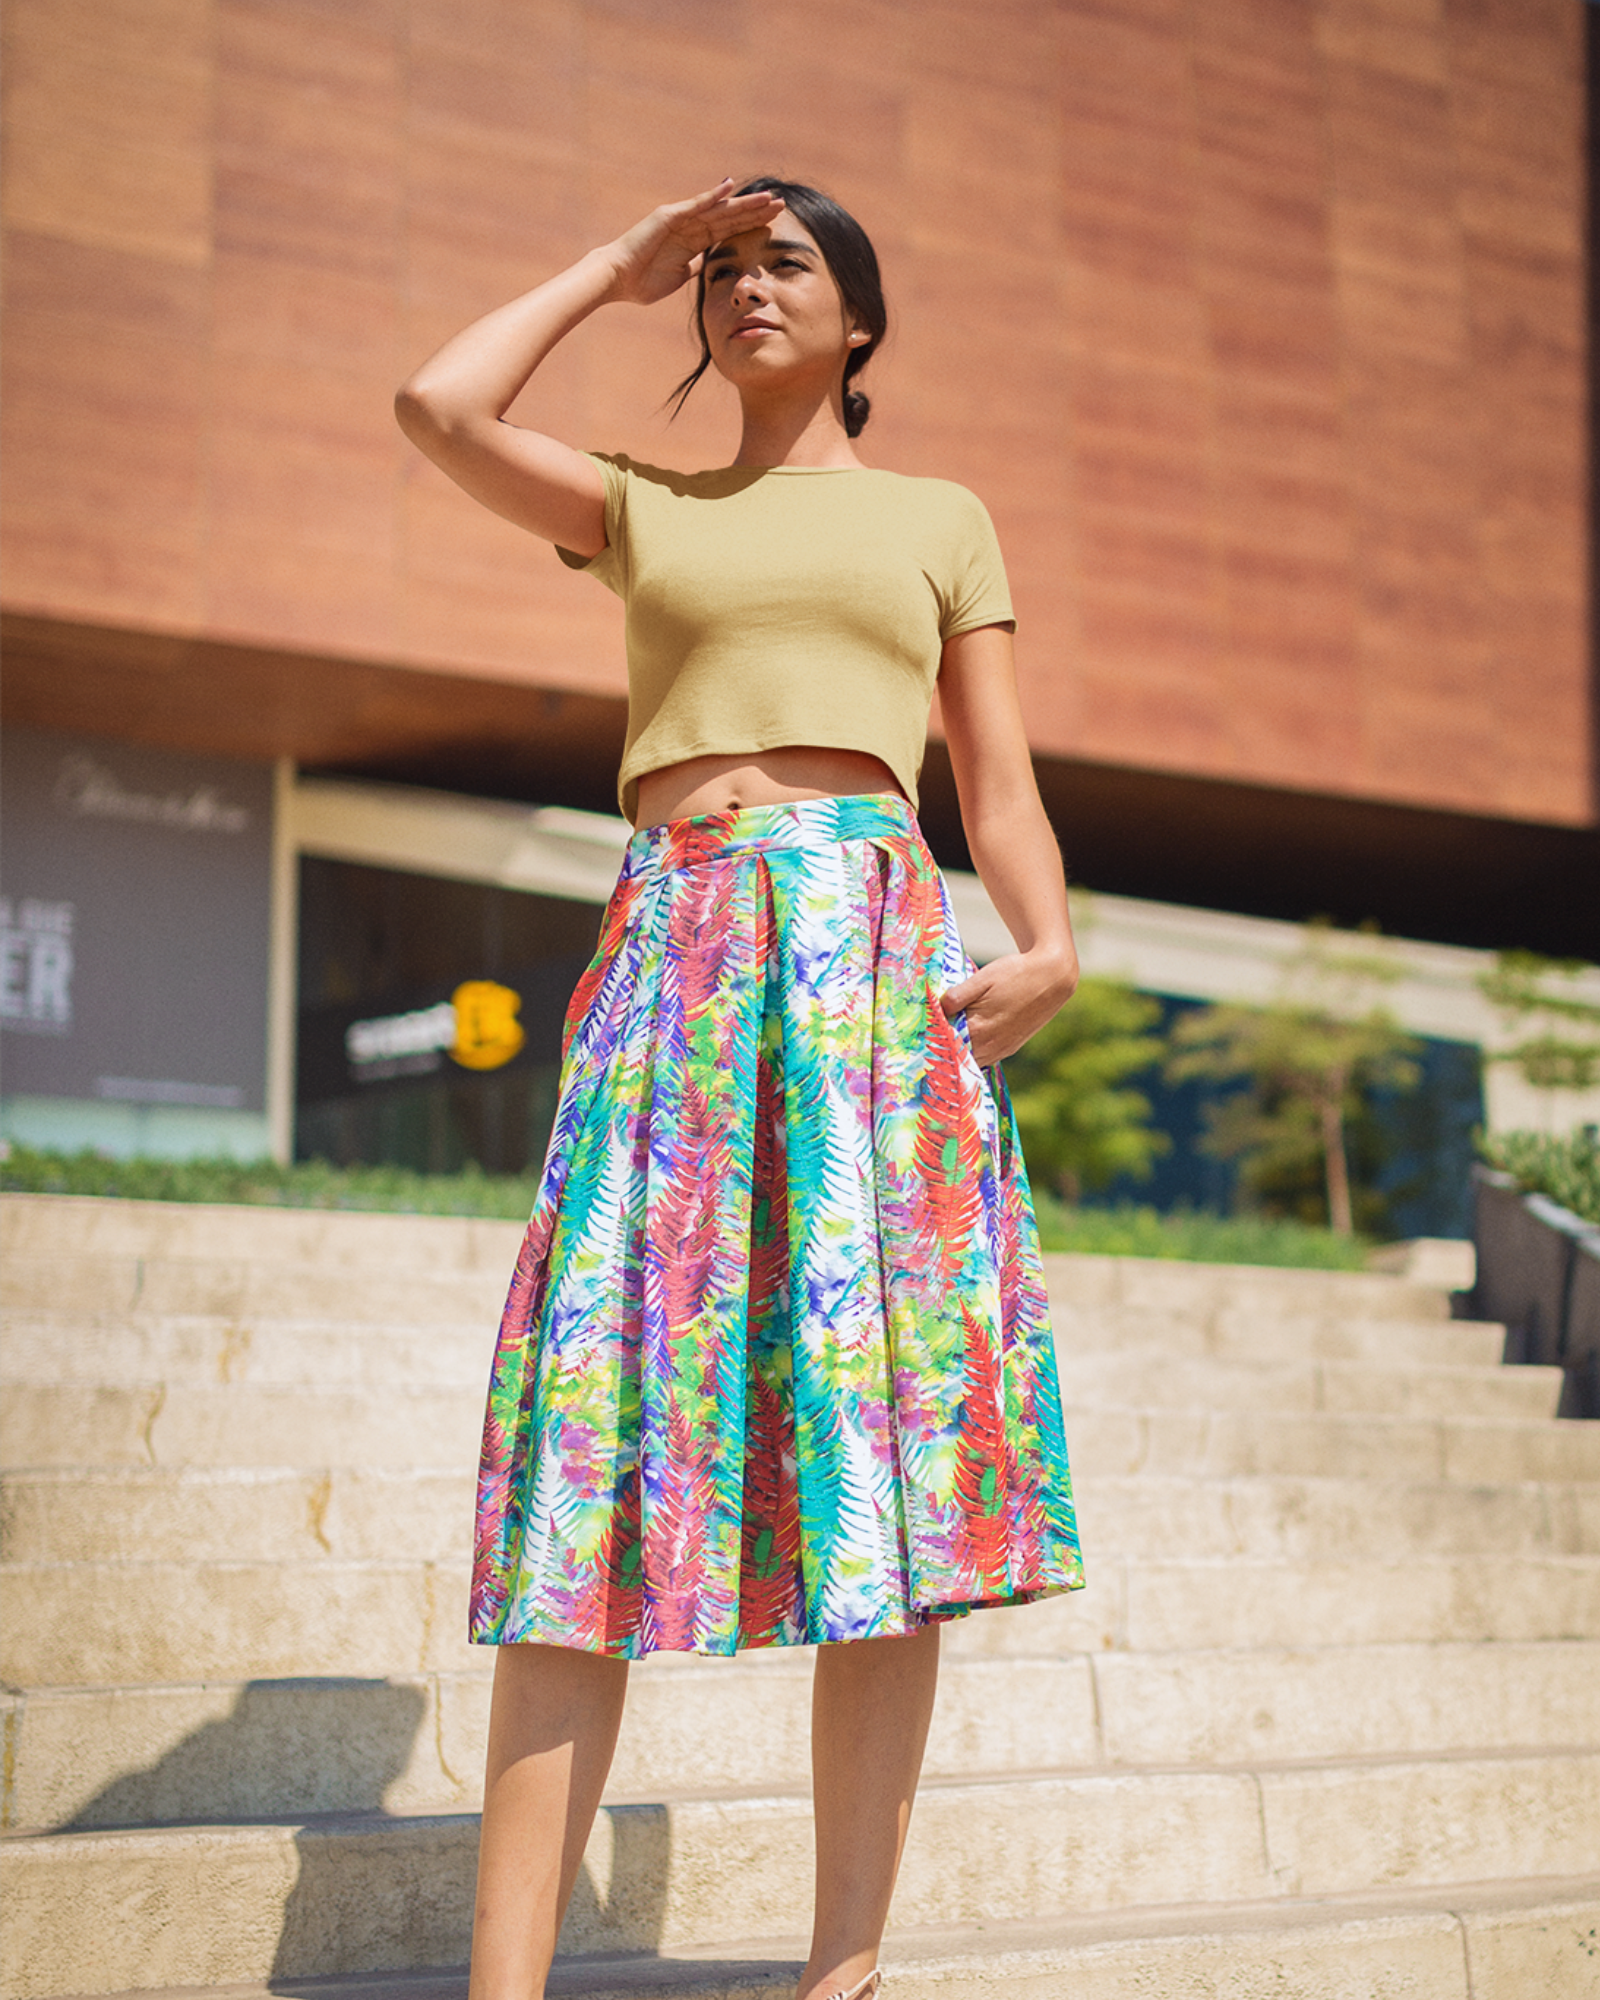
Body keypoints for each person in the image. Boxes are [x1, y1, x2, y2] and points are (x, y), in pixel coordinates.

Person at [395, 175, 1085, 2000]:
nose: (742, 287)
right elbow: (439, 409)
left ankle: (841, 1976)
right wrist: (617, 264)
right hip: (676, 952)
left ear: (861, 322)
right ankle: (504, 1985)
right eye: (720, 269)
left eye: (784, 262)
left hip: (870, 959)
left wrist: (1050, 937)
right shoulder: (643, 505)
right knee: (581, 1451)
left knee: (886, 1445)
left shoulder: (943, 518)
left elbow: (992, 784)